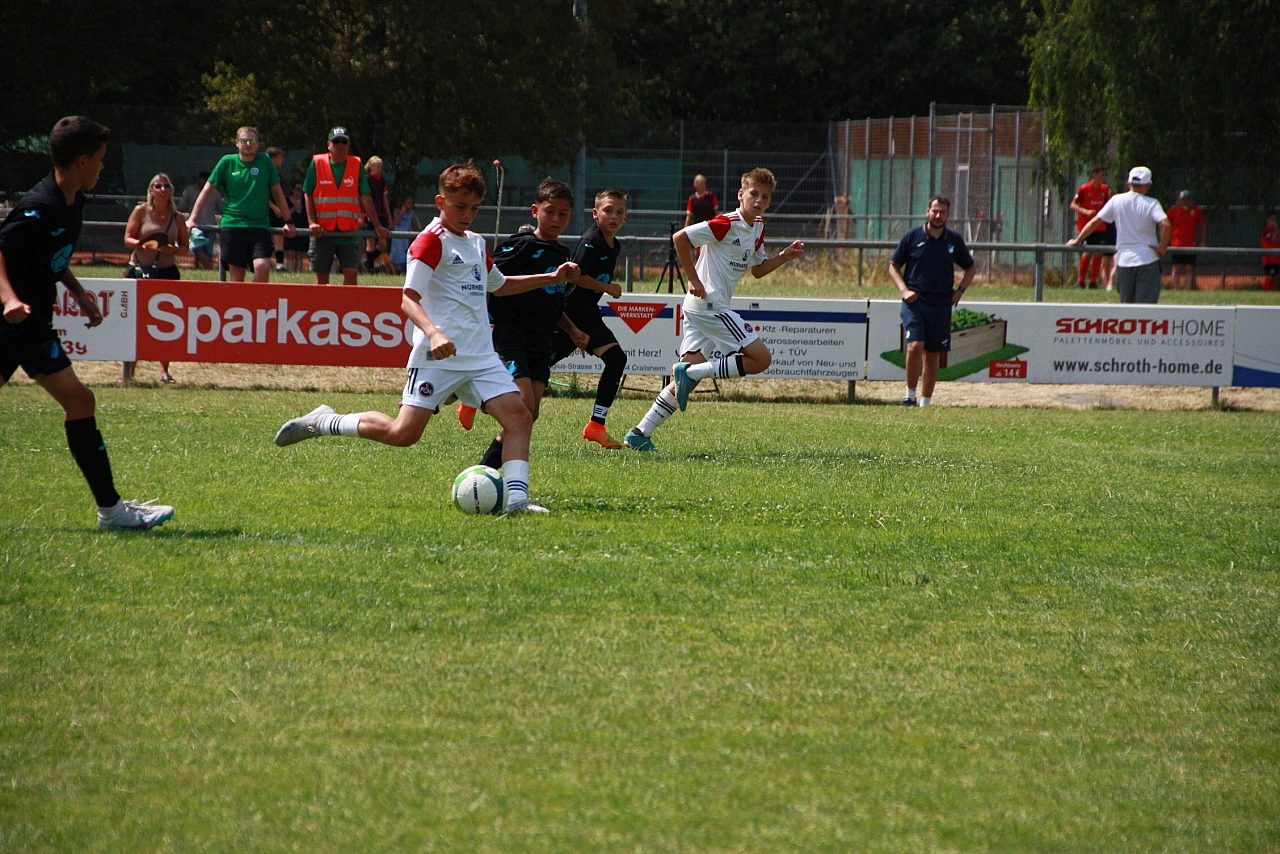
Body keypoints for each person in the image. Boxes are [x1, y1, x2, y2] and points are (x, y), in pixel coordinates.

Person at [273, 161, 579, 514]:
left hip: (480, 357)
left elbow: (499, 285)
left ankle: (516, 501)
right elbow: (407, 298)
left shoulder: (477, 243)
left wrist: (552, 277)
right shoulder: (430, 241)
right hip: (438, 357)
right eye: (460, 207)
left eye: (474, 208)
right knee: (403, 434)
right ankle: (324, 421)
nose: (467, 215)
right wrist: (433, 334)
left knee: (520, 418)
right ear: (440, 201)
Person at [0, 116, 175, 530]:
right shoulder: (39, 207)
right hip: (12, 321)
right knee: (80, 401)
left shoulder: (72, 199)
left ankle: (112, 511)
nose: (102, 166)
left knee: (80, 402)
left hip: (30, 322)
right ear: (81, 160)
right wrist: (9, 299)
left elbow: (50, 256)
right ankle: (112, 511)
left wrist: (79, 294)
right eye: (99, 159)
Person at [624, 168, 804, 451]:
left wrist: (783, 257)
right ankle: (691, 373)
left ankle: (639, 433)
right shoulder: (726, 222)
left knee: (686, 379)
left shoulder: (757, 226)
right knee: (761, 359)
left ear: (769, 201)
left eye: (765, 196)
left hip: (703, 308)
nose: (758, 200)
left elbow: (757, 269)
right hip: (709, 305)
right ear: (740, 195)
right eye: (753, 194)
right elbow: (680, 238)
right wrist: (694, 280)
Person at [464, 178, 585, 471]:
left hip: (540, 343)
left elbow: (551, 300)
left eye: (562, 214)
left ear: (570, 217)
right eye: (549, 211)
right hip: (512, 337)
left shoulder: (563, 254)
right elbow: (490, 281)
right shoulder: (521, 245)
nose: (555, 219)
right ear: (535, 211)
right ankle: (486, 471)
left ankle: (484, 473)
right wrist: (483, 322)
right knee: (523, 411)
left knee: (529, 415)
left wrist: (572, 330)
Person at [549, 188, 629, 448]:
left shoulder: (614, 244)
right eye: (608, 210)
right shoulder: (591, 240)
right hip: (568, 315)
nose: (613, 216)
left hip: (588, 316)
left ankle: (596, 425)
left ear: (625, 217)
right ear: (595, 214)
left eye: (619, 212)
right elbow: (575, 276)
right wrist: (608, 288)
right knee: (534, 367)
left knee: (616, 359)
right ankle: (475, 396)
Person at [887, 196, 976, 408]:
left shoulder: (953, 240)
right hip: (915, 302)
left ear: (948, 215)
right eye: (934, 211)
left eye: (942, 212)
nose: (938, 215)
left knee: (933, 354)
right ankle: (909, 396)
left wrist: (960, 291)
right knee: (915, 346)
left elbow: (970, 268)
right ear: (927, 211)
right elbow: (893, 266)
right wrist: (904, 291)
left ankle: (925, 403)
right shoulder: (912, 236)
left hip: (941, 304)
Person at [186, 126, 296, 282]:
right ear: (236, 143)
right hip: (233, 225)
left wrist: (288, 221)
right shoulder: (227, 162)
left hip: (259, 226)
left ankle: (254, 298)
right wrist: (192, 218)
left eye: (253, 141)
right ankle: (241, 299)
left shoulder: (265, 160)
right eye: (244, 141)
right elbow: (206, 191)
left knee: (262, 266)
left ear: (258, 144)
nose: (248, 144)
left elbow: (278, 193)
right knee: (237, 276)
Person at [1068, 166, 1171, 304]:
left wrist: (1077, 240)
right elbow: (1166, 224)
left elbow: (1094, 222)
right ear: (1147, 186)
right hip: (1148, 260)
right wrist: (1162, 247)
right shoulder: (1152, 203)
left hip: (1124, 261)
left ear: (1128, 184)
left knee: (1126, 307)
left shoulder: (1116, 200)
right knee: (1146, 309)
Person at [122, 172, 188, 383]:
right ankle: (129, 372)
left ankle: (164, 371)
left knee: (166, 323)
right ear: (151, 190)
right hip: (140, 270)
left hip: (167, 272)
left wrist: (173, 250)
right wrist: (141, 244)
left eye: (166, 186)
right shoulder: (141, 211)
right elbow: (127, 239)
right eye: (158, 186)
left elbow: (185, 247)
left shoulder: (177, 217)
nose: (162, 190)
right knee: (136, 321)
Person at [303, 127, 388, 285]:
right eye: (336, 141)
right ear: (328, 144)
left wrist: (377, 225)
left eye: (344, 141)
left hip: (347, 231)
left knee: (351, 272)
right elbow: (307, 193)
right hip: (323, 231)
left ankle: (346, 301)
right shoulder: (317, 163)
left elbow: (365, 197)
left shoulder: (356, 164)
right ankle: (322, 302)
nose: (340, 145)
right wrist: (312, 222)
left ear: (348, 145)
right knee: (322, 276)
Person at [1070, 165, 1112, 289]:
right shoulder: (1084, 188)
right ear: (1094, 175)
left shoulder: (1104, 189)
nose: (1103, 177)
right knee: (1087, 253)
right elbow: (1073, 205)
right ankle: (1081, 282)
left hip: (1100, 226)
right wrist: (1085, 211)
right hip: (1086, 226)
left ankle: (1093, 282)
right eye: (1101, 174)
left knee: (1098, 252)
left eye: (1104, 175)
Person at [178, 170, 220, 270]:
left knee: (208, 251)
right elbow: (181, 206)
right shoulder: (189, 190)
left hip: (210, 226)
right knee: (196, 248)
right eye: (200, 179)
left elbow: (220, 207)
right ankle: (209, 268)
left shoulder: (214, 192)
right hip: (195, 226)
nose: (202, 182)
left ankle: (205, 270)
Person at [1166, 190, 1206, 290]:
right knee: (1176, 268)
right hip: (1176, 245)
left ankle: (1187, 290)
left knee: (1189, 268)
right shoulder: (1173, 211)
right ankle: (1175, 289)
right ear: (1179, 200)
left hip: (1190, 245)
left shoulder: (1196, 211)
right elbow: (1165, 224)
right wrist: (1165, 240)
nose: (1184, 202)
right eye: (1182, 199)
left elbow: (1202, 225)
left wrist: (1203, 240)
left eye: (1186, 199)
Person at [363, 155, 392, 272]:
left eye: (380, 166)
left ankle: (371, 261)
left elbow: (384, 198)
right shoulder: (367, 180)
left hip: (381, 213)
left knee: (382, 243)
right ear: (370, 166)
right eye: (377, 166)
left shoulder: (382, 181)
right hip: (369, 213)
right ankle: (370, 267)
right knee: (370, 240)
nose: (379, 168)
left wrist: (389, 216)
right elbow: (364, 197)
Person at [266, 146, 289, 271]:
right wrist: (274, 208)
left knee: (280, 236)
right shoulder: (264, 173)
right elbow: (263, 194)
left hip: (279, 211)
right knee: (265, 236)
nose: (282, 160)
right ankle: (264, 262)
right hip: (267, 210)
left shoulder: (277, 175)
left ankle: (279, 264)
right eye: (280, 157)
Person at [389, 194, 419, 274]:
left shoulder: (412, 213)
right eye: (408, 203)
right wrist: (402, 213)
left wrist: (412, 229)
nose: (410, 204)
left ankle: (403, 270)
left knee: (405, 253)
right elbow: (395, 223)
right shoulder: (397, 212)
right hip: (397, 235)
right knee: (397, 252)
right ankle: (395, 270)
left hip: (406, 237)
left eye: (411, 203)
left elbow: (415, 226)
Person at [283, 183, 310, 272]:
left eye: (302, 190)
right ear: (293, 190)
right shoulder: (286, 200)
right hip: (290, 227)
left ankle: (298, 272)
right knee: (290, 252)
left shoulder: (305, 200)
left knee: (300, 253)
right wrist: (295, 208)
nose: (300, 192)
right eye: (298, 189)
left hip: (302, 227)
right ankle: (290, 271)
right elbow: (283, 214)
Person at [1261, 211, 1280, 292]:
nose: (1274, 222)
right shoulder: (1266, 230)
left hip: (1276, 258)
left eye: (1275, 220)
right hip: (1269, 258)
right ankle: (1265, 291)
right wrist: (1276, 230)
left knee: (1275, 277)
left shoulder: (1276, 230)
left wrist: (1276, 230)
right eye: (1272, 220)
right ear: (1267, 220)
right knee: (1270, 276)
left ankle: (1271, 292)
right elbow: (1273, 240)